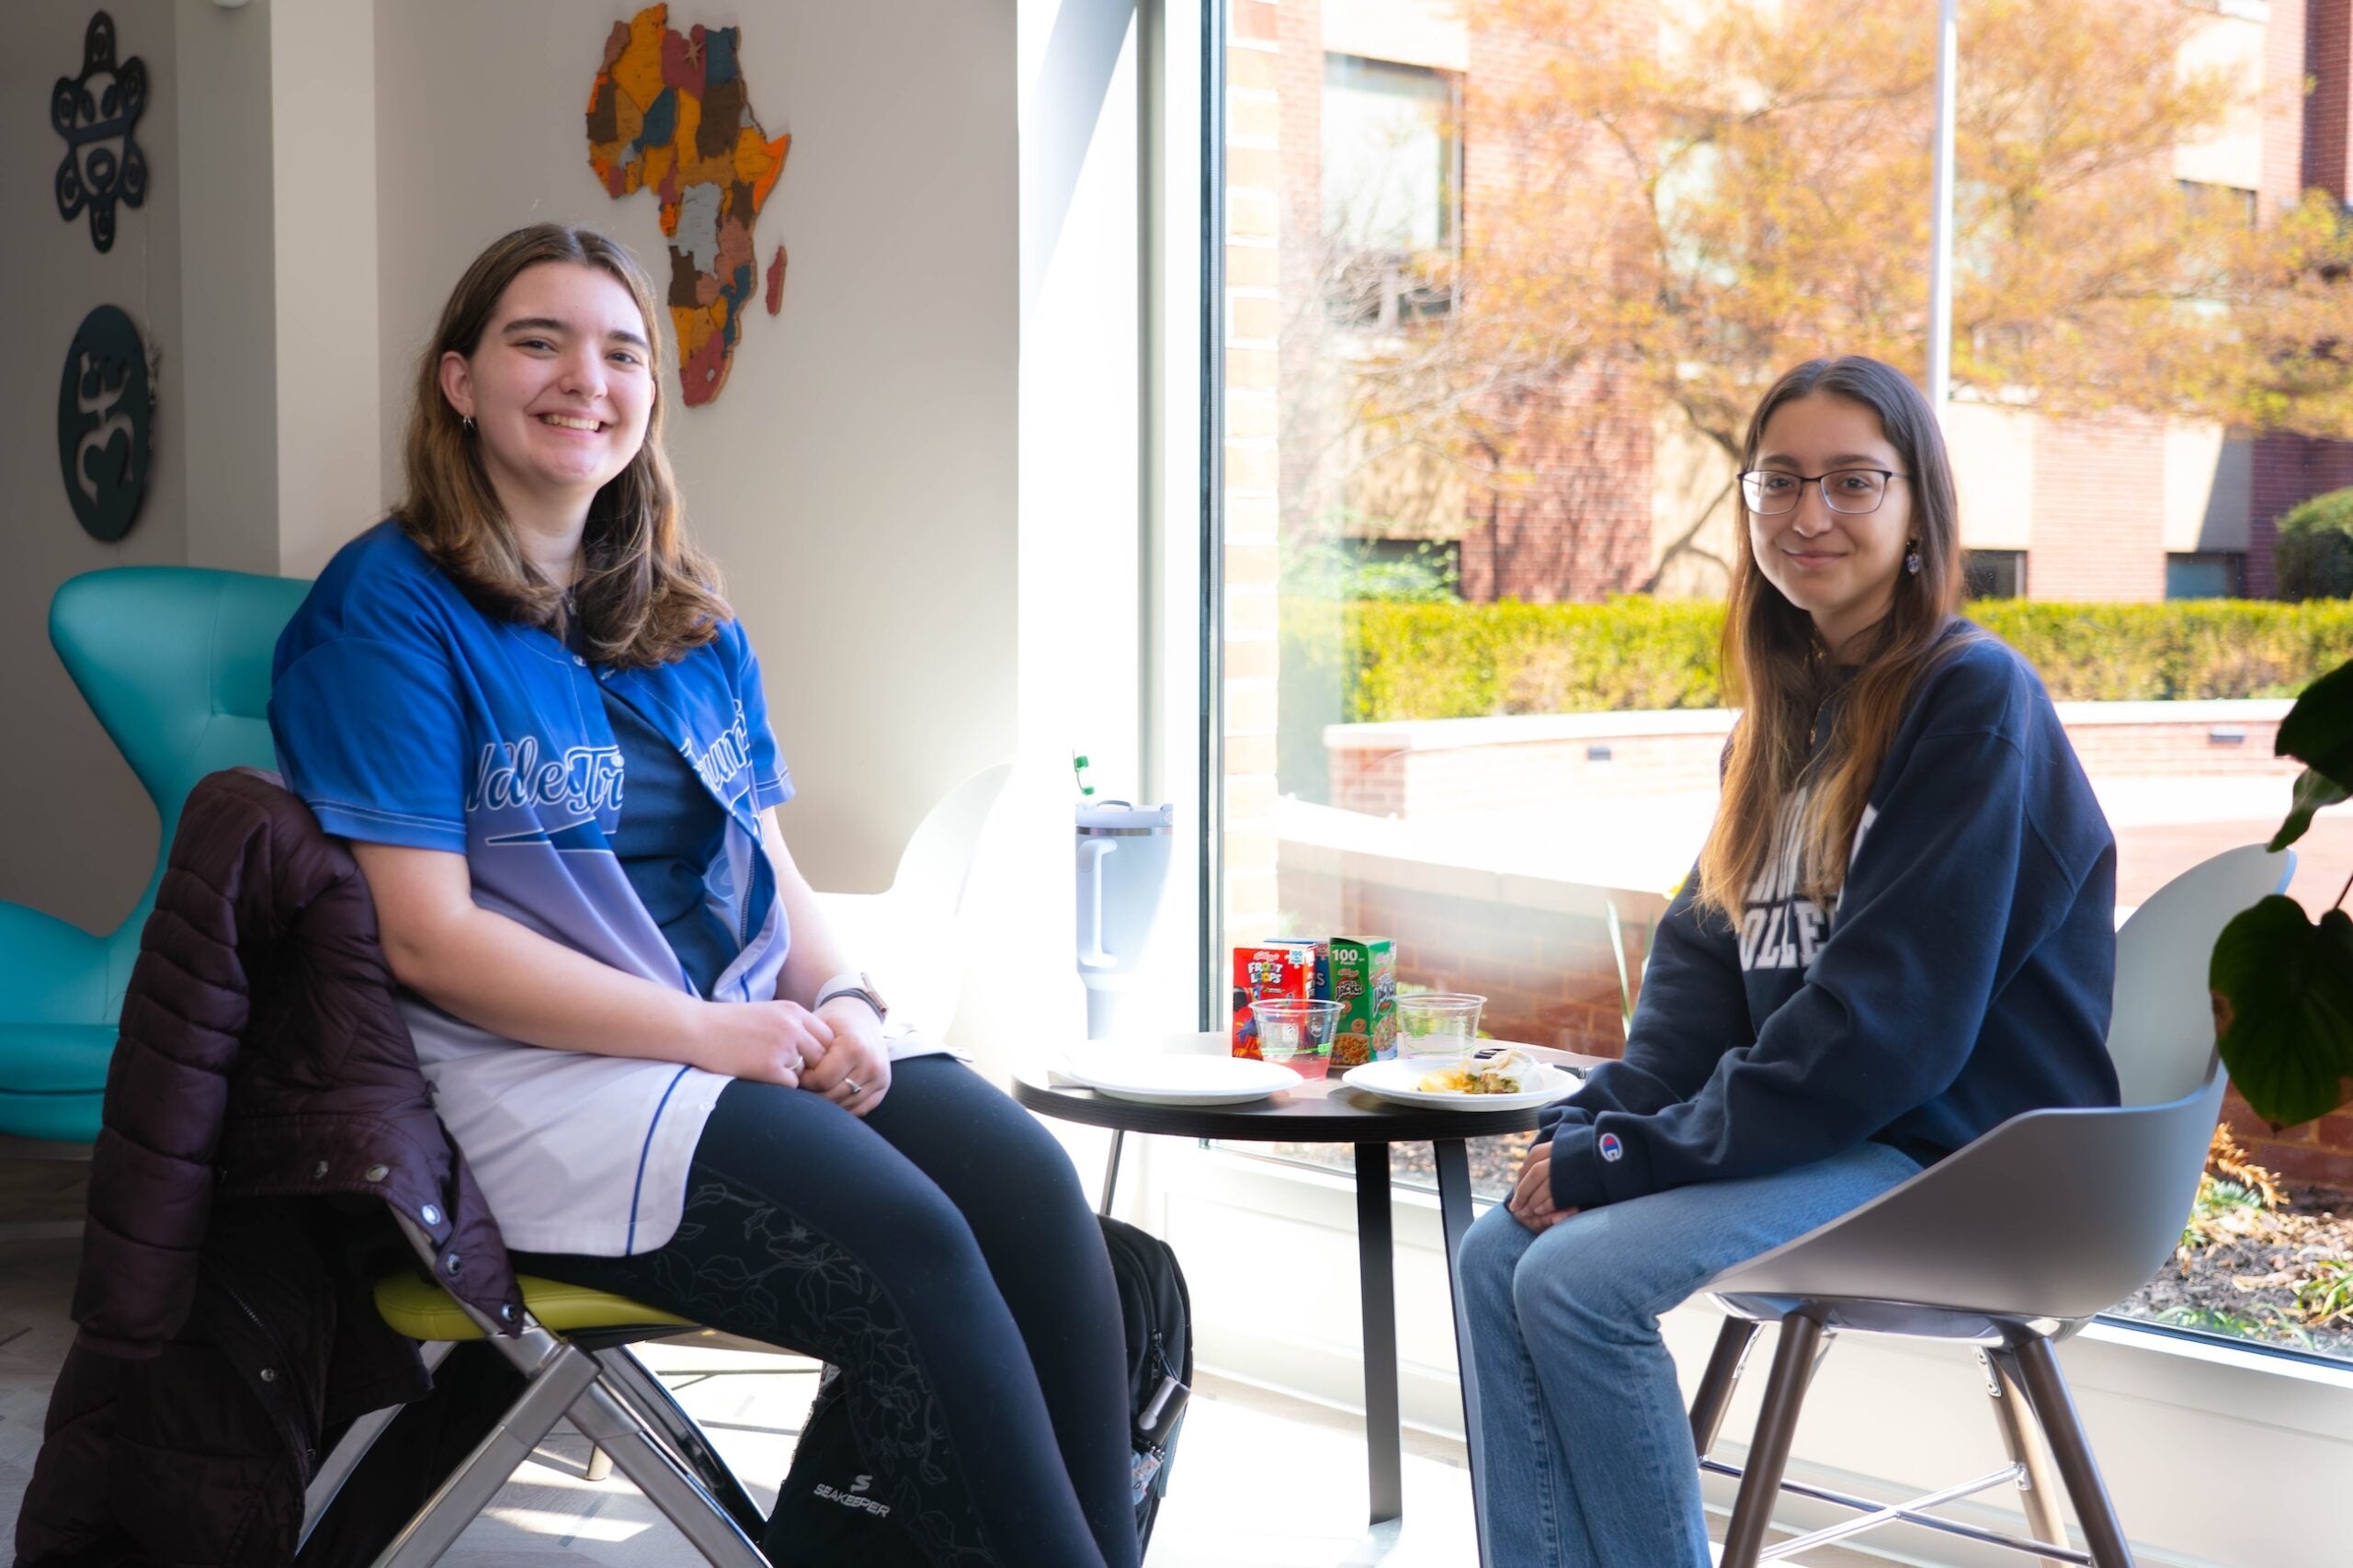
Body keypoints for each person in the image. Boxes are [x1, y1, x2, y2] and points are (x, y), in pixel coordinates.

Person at [267, 223, 1138, 1568]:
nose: (585, 379)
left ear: (650, 400)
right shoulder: (383, 611)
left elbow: (773, 877)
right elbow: (428, 941)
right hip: (536, 1071)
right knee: (903, 1241)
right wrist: (711, 1037)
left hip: (734, 1030)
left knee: (1027, 1187)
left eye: (622, 352)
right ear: (458, 381)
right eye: (537, 341)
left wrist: (839, 996)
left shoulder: (689, 618)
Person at [1457, 355, 2119, 1567]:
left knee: (1576, 1284)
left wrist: (1627, 1160)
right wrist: (1595, 1128)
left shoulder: (1975, 702)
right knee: (1497, 1249)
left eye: (1853, 482)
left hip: (1964, 1157)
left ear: (1919, 507)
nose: (1810, 515)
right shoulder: (1774, 727)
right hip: (1845, 1132)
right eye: (1781, 483)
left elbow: (1885, 1039)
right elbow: (1694, 1005)